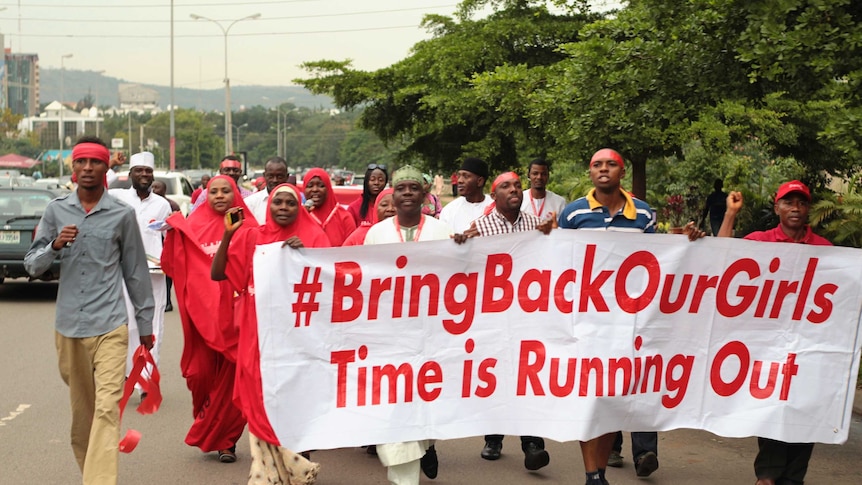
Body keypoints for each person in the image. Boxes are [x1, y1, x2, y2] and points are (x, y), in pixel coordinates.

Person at [24, 135, 155, 485]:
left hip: (110, 324)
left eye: (95, 162)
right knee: (84, 416)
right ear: (72, 167)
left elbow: (136, 272)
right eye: (80, 161)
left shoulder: (122, 215)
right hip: (68, 327)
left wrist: (145, 326)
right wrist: (54, 245)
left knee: (107, 408)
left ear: (106, 168)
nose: (87, 168)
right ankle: (93, 473)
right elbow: (33, 266)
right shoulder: (56, 211)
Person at [212, 183, 327, 485]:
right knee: (259, 396)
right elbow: (217, 273)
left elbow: (330, 281)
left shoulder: (314, 237)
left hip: (299, 335)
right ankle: (272, 471)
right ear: (269, 206)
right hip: (258, 330)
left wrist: (304, 257)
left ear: (299, 207)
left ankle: (297, 460)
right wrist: (227, 234)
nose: (284, 208)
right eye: (279, 202)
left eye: (291, 203)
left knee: (295, 397)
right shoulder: (252, 236)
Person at [557, 149, 659, 485]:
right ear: (590, 173)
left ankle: (598, 471)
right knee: (588, 401)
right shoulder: (572, 215)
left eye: (610, 164)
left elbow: (660, 260)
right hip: (585, 323)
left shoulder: (644, 215)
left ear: (622, 171)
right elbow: (558, 264)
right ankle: (592, 475)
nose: (604, 169)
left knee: (613, 399)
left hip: (628, 324)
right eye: (597, 165)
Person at [718, 180, 830, 485]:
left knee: (804, 412)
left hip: (808, 350)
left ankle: (791, 478)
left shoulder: (826, 250)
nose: (795, 208)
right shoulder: (760, 241)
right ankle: (766, 475)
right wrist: (730, 214)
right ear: (776, 207)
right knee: (772, 410)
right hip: (767, 350)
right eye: (788, 203)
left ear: (808, 209)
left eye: (801, 203)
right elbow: (721, 256)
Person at [454, 171, 551, 471]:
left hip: (529, 313)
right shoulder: (479, 228)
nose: (514, 190)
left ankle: (532, 442)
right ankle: (493, 438)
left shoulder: (538, 225)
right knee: (494, 375)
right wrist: (460, 247)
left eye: (517, 186)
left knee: (528, 376)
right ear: (493, 195)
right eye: (506, 186)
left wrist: (555, 233)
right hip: (493, 315)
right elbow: (465, 267)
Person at [364, 165, 454, 484]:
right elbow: (363, 282)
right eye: (400, 188)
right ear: (393, 192)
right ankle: (406, 477)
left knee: (426, 400)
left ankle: (426, 443)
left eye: (413, 188)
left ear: (424, 193)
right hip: (389, 336)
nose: (406, 193)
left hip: (433, 334)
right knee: (395, 405)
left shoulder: (442, 231)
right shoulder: (376, 234)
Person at [161, 175, 256, 463]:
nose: (219, 196)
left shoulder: (249, 226)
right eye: (213, 191)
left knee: (233, 382)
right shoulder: (194, 226)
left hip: (237, 319)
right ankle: (209, 421)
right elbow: (174, 264)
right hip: (202, 319)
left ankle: (227, 441)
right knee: (200, 374)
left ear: (235, 194)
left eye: (225, 191)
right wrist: (175, 234)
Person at [107, 152, 172, 399]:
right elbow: (97, 187)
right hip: (124, 271)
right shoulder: (118, 197)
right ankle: (129, 373)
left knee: (153, 323)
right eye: (139, 171)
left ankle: (147, 379)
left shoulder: (162, 205)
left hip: (154, 274)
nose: (144, 175)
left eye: (148, 171)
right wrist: (112, 165)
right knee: (129, 324)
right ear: (131, 174)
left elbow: (169, 240)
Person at [303, 167, 356, 246]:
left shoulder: (345, 217)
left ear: (328, 188)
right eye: (310, 186)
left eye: (321, 186)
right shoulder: (299, 217)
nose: (315, 189)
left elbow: (352, 250)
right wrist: (302, 216)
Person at [439, 158, 492, 233]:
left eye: (466, 176)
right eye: (459, 176)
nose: (459, 180)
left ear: (480, 181)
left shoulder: (495, 208)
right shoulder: (449, 211)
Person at [151, 180, 180, 312]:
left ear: (164, 190)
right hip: (153, 247)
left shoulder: (171, 205)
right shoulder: (150, 204)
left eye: (157, 187)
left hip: (167, 246)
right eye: (153, 187)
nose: (154, 190)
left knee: (167, 278)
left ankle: (167, 301)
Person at [245, 157, 290, 224]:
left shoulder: (295, 204)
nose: (275, 180)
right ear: (264, 176)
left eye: (279, 176)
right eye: (270, 176)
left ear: (287, 177)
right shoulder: (250, 203)